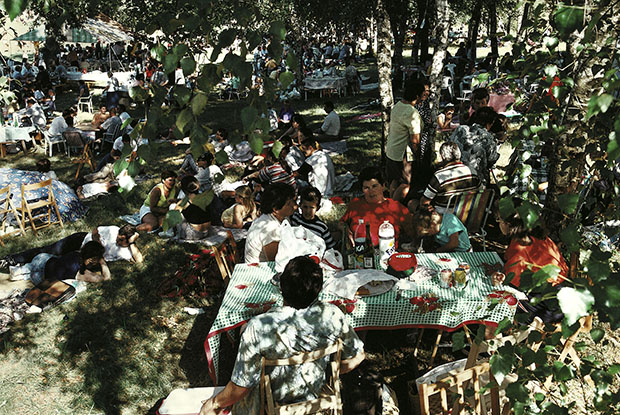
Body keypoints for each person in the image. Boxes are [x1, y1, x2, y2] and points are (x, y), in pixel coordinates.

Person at [199, 255, 365, 415]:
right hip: (314, 391)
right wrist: (329, 371)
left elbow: (241, 386)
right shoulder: (332, 315)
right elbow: (358, 356)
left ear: (282, 287)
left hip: (275, 399)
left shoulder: (258, 327)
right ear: (318, 289)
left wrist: (214, 403)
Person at [489, 205, 567, 324]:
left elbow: (510, 283)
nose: (498, 223)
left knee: (495, 297)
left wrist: (497, 277)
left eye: (498, 219)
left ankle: (497, 329)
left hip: (548, 306)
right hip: (563, 296)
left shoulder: (519, 247)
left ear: (509, 224)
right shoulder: (540, 238)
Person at [340, 167, 410, 248]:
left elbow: (414, 232)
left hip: (386, 253)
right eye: (366, 188)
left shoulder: (396, 208)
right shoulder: (356, 204)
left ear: (383, 186)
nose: (371, 191)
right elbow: (342, 222)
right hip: (360, 252)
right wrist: (346, 231)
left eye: (374, 186)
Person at [384, 80, 425, 203]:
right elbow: (415, 141)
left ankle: (390, 201)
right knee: (406, 184)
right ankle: (393, 207)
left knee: (394, 181)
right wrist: (418, 155)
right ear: (417, 96)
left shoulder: (398, 105)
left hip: (391, 150)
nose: (423, 98)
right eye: (422, 95)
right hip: (403, 153)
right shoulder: (412, 113)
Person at [418, 142, 481, 213]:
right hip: (469, 216)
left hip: (444, 218)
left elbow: (424, 202)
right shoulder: (472, 172)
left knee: (413, 204)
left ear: (443, 157)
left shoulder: (440, 176)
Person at [244, 183, 297, 263]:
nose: (294, 205)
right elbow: (276, 260)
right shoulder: (270, 227)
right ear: (276, 209)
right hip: (258, 271)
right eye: (289, 204)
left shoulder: (281, 217)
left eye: (293, 201)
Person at [448, 106, 500, 185]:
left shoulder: (460, 129)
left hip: (453, 176)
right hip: (476, 181)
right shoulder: (487, 137)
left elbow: (449, 146)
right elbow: (492, 159)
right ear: (490, 123)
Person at [172, 176, 212, 240]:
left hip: (194, 234)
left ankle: (172, 233)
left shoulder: (185, 201)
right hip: (207, 231)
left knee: (173, 208)